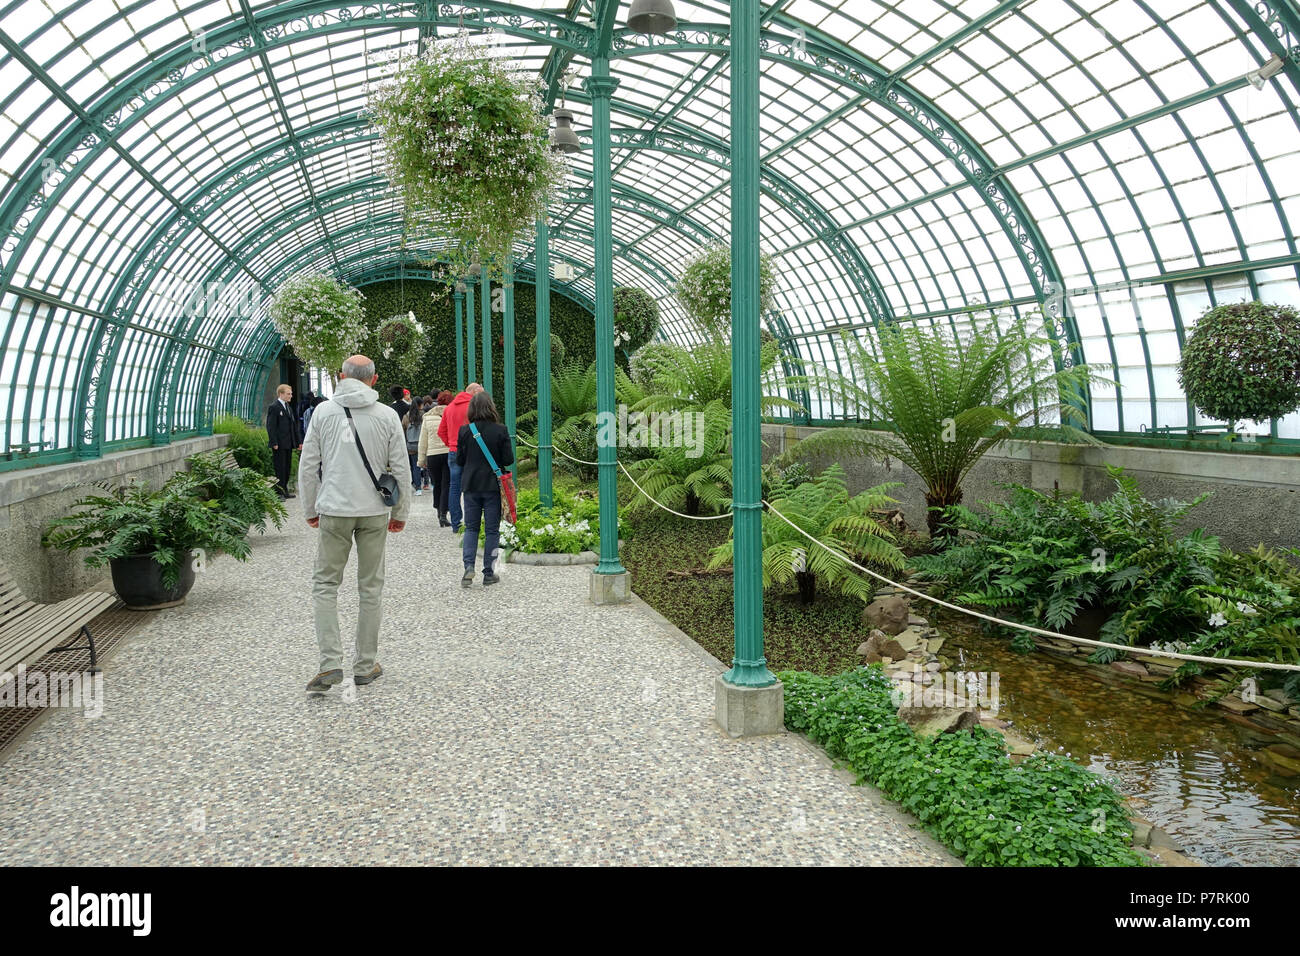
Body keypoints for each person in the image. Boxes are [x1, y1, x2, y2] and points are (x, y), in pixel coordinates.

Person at [298, 355, 409, 696]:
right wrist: (400, 512)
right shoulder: (387, 415)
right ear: (373, 380)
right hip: (374, 510)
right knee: (370, 587)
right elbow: (400, 467)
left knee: (325, 585)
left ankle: (330, 662)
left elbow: (308, 465)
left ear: (341, 376)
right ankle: (365, 666)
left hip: (334, 509)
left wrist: (310, 507)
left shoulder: (324, 412)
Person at [456, 390, 513, 588]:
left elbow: (459, 460)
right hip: (492, 487)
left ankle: (468, 567)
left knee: (471, 528)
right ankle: (489, 572)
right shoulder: (501, 430)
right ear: (491, 408)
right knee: (491, 530)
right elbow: (509, 460)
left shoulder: (465, 431)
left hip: (470, 485)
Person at [438, 382, 482, 534]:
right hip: (471, 451)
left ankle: (456, 523)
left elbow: (441, 431)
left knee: (454, 488)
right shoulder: (474, 407)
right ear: (474, 392)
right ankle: (472, 522)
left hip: (453, 451)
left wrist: (450, 443)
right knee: (473, 486)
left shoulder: (449, 408)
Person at [418, 390, 452, 526]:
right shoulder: (451, 415)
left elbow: (423, 440)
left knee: (436, 484)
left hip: (432, 455)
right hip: (448, 452)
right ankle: (443, 513)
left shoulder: (427, 417)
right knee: (446, 484)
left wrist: (421, 460)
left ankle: (438, 509)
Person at [266, 383, 300, 499]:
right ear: (281, 394)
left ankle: (284, 490)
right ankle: (279, 492)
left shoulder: (288, 407)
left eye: (291, 394)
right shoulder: (274, 407)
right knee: (280, 467)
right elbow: (271, 426)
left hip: (288, 443)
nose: (291, 396)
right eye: (288, 394)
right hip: (279, 444)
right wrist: (274, 442)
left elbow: (293, 426)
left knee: (287, 467)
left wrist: (297, 442)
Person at [402, 401, 424, 496]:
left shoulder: (406, 417)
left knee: (414, 466)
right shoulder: (423, 416)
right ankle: (428, 483)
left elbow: (402, 430)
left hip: (411, 445)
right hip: (421, 443)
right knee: (423, 465)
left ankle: (417, 486)